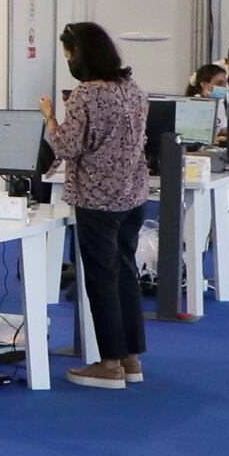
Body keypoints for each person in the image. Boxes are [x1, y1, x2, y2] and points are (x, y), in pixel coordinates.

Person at [41, 23, 149, 390]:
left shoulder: (86, 94)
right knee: (125, 275)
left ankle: (108, 364)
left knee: (101, 281)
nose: (68, 60)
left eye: (69, 54)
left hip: (97, 199)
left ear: (82, 54)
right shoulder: (132, 89)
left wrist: (51, 118)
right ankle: (131, 357)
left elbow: (68, 147)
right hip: (132, 195)